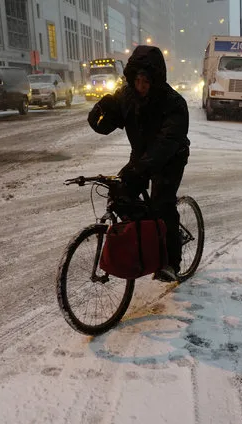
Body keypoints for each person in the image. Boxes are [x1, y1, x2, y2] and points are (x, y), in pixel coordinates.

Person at [87, 45, 190, 282]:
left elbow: (167, 143)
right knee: (122, 196)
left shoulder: (173, 103)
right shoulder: (127, 96)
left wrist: (140, 168)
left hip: (170, 158)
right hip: (141, 156)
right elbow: (108, 124)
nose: (141, 86)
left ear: (156, 80)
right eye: (137, 80)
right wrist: (99, 113)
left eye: (146, 81)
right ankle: (145, 241)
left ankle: (171, 262)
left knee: (162, 204)